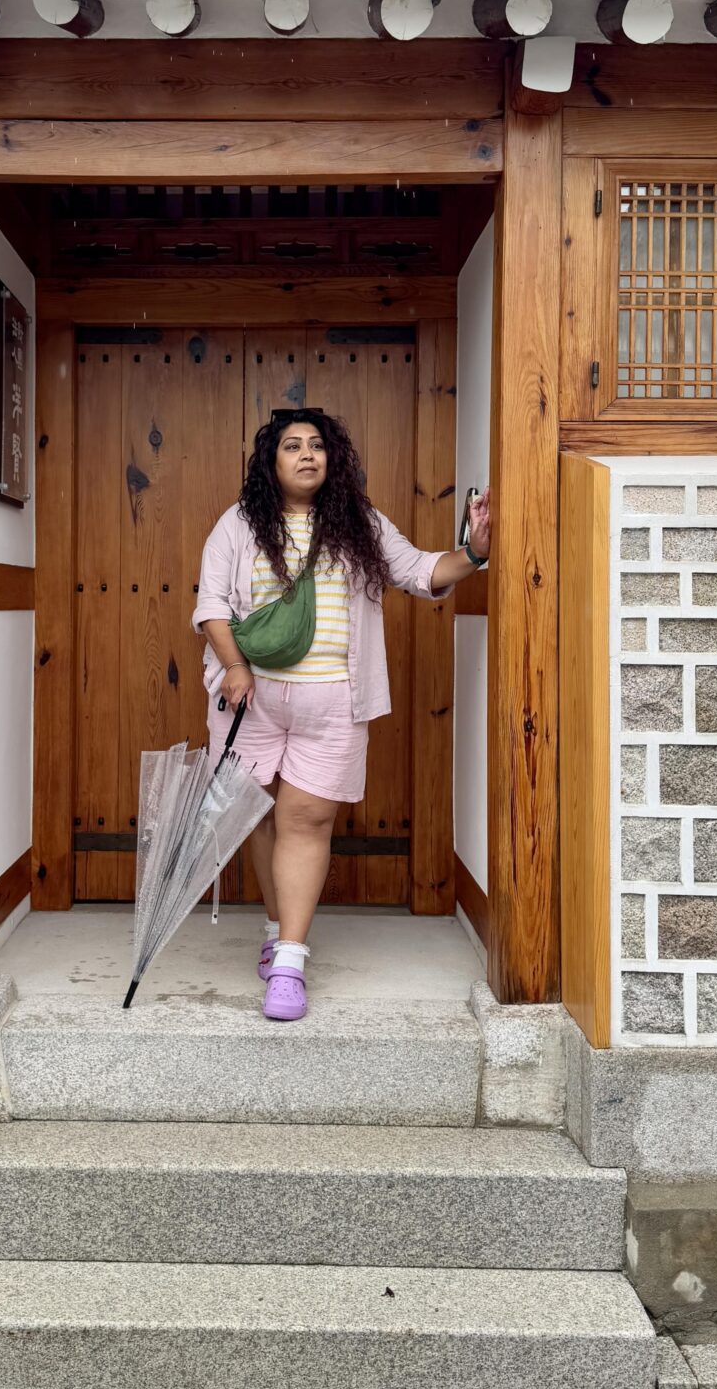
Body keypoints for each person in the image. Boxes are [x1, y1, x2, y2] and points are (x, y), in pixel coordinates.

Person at [193, 406, 492, 1022]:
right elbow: (211, 605)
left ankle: (290, 963)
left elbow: (422, 572)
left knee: (306, 821)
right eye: (292, 446)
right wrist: (237, 667)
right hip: (249, 698)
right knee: (257, 817)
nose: (307, 455)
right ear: (269, 463)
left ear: (333, 459)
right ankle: (276, 927)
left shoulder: (361, 523)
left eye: (317, 446)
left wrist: (476, 551)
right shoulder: (239, 525)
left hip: (334, 700)